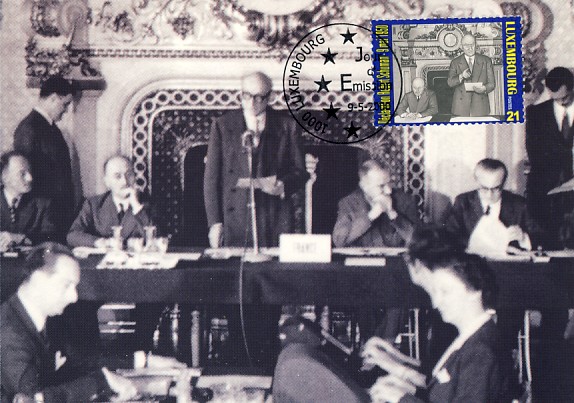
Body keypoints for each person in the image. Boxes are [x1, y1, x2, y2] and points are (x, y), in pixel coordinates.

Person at [273, 229, 508, 403]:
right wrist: (404, 385)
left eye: (445, 292)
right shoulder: (471, 339)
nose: (437, 302)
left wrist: (401, 398)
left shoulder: (481, 351)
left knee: (299, 378)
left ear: (475, 291)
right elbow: (441, 393)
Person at [0, 243, 139, 402]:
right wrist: (100, 382)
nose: (74, 297)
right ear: (39, 280)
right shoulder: (8, 333)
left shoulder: (41, 317)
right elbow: (32, 398)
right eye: (66, 285)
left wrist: (141, 360)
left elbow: (79, 358)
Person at [203, 71, 308, 248]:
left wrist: (283, 185)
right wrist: (215, 223)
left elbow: (300, 171)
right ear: (240, 94)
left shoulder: (287, 125)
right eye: (246, 96)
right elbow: (211, 179)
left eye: (258, 97)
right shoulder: (222, 125)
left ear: (270, 97)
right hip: (235, 219)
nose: (251, 103)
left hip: (275, 217)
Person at [14, 76, 76, 237]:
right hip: (42, 219)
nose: (66, 110)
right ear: (54, 98)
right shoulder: (29, 128)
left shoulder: (50, 127)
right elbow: (27, 178)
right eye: (65, 104)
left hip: (55, 215)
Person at [446, 158, 542, 253]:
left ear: (503, 183)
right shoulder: (463, 202)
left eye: (496, 188)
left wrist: (524, 238)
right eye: (484, 188)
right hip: (472, 260)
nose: (489, 195)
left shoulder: (519, 204)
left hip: (508, 262)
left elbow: (542, 238)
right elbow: (449, 236)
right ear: (476, 181)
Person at [526, 67, 574, 248]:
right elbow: (534, 152)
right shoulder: (535, 113)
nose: (560, 102)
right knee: (547, 244)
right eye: (555, 98)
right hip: (546, 192)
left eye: (564, 98)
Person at [67, 155, 154, 247]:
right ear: (107, 182)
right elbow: (72, 235)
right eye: (117, 176)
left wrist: (136, 206)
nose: (124, 181)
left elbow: (157, 238)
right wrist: (101, 242)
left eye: (129, 174)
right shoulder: (93, 205)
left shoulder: (149, 202)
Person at [333, 159, 420, 248]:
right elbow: (339, 241)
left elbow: (418, 241)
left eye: (389, 183)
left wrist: (393, 214)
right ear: (364, 186)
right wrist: (370, 216)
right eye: (381, 186)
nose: (389, 190)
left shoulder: (405, 200)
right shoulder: (348, 203)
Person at [1, 151, 56, 251]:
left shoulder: (42, 204)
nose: (30, 178)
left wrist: (20, 238)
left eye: (30, 171)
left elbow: (51, 237)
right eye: (22, 174)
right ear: (5, 177)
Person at [447, 34, 495, 117]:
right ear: (461, 47)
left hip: (480, 105)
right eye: (466, 45)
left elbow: (492, 84)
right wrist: (461, 76)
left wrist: (484, 88)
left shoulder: (486, 60)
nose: (470, 48)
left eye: (472, 44)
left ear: (476, 45)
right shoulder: (455, 62)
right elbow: (450, 83)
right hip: (460, 107)